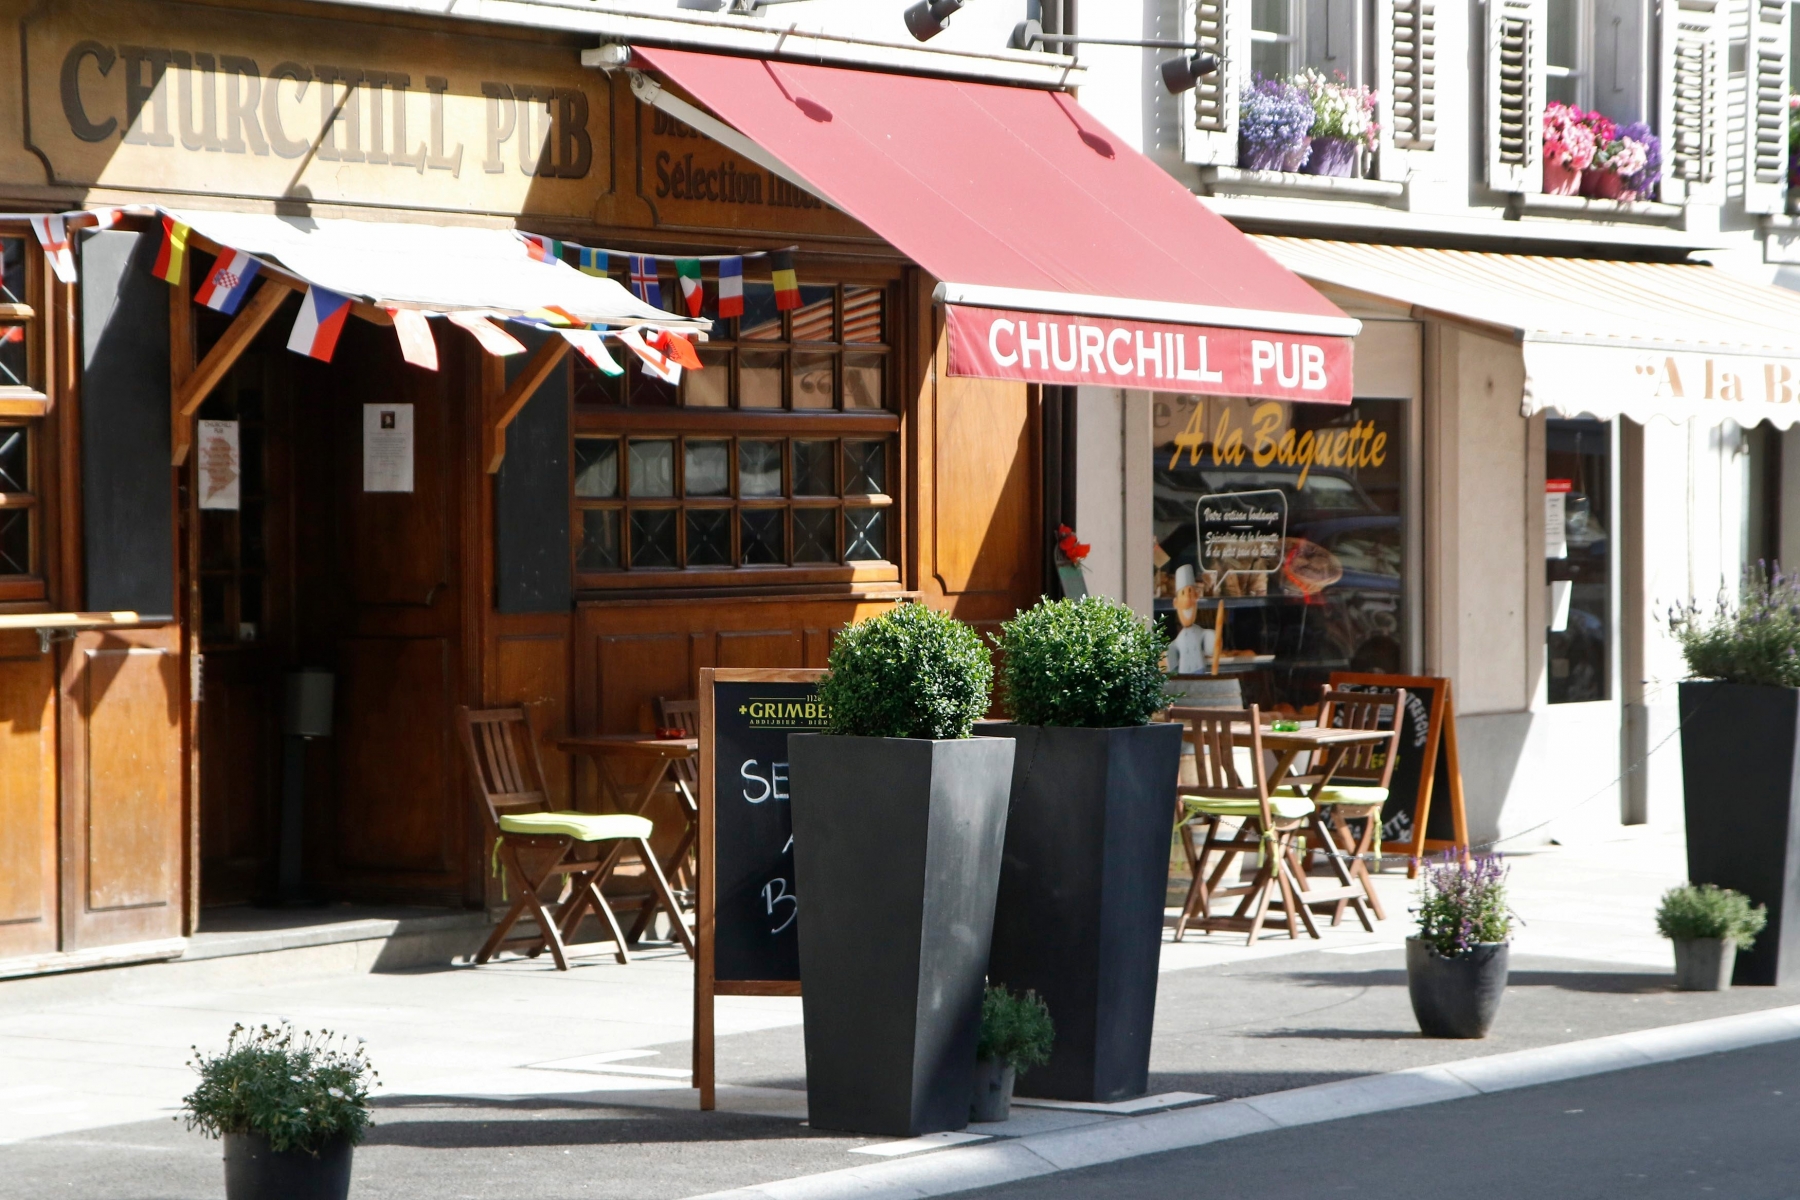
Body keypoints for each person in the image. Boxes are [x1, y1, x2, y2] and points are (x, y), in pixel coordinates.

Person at [1167, 564, 1215, 675]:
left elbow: (1209, 645)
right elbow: (1172, 652)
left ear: (1197, 597)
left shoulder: (1199, 632)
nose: (1188, 599)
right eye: (1183, 593)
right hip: (1183, 674)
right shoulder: (1179, 640)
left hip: (1200, 669)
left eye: (1191, 593)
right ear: (1175, 603)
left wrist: (1213, 639)